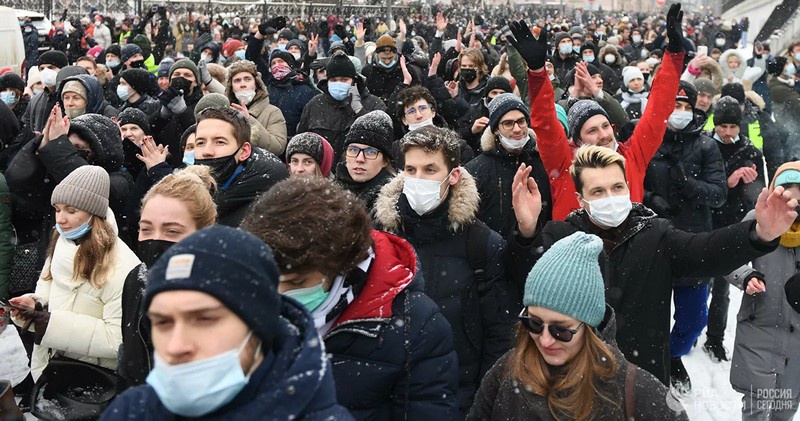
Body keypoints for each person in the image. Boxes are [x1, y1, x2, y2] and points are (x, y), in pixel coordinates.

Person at [508, 144, 797, 386]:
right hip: (574, 380)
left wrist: (760, 234)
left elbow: (707, 250)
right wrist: (526, 230)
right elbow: (524, 279)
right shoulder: (561, 235)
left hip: (642, 380)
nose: (610, 197)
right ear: (581, 200)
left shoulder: (657, 234)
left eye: (617, 187)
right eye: (598, 192)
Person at [240, 177, 459, 420]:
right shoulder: (242, 305)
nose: (279, 294)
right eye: (270, 279)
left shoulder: (416, 328)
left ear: (342, 267)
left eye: (297, 283)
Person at [102, 226, 354, 420]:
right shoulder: (132, 410)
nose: (175, 346)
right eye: (163, 322)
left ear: (258, 325)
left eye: (205, 319)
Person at [468, 232, 688, 420]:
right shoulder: (507, 370)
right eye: (534, 323)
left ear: (590, 327)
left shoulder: (635, 391)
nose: (545, 340)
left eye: (561, 329)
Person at [373, 125, 513, 415]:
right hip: (390, 394)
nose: (418, 179)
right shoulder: (380, 237)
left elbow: (499, 333)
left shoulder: (481, 244)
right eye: (411, 170)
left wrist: (483, 403)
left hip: (457, 397)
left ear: (454, 175)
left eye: (430, 169)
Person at [511, 10, 683, 221]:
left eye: (605, 126)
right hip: (571, 249)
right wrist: (537, 73)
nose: (604, 135)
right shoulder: (565, 165)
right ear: (578, 140)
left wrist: (674, 54)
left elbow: (658, 110)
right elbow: (544, 120)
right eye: (592, 130)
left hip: (628, 248)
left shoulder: (631, 157)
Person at [9, 165, 140, 380]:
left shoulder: (123, 265)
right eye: (57, 209)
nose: (60, 219)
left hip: (94, 380)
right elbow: (47, 289)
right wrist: (35, 306)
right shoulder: (61, 243)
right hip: (54, 369)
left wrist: (50, 324)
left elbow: (117, 340)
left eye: (71, 211)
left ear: (94, 214)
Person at [643, 80, 727, 393]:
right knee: (649, 315)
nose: (679, 112)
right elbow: (630, 182)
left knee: (693, 319)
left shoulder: (706, 145)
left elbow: (719, 194)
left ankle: (673, 353)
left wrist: (689, 184)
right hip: (654, 240)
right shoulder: (648, 138)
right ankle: (655, 365)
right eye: (673, 105)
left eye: (685, 107)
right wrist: (653, 199)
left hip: (694, 243)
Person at [118, 166, 217, 387]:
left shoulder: (221, 296)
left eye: (172, 231)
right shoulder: (136, 279)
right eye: (146, 229)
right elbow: (131, 358)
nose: (155, 240)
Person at [724, 163, 800, 421]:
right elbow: (727, 258)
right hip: (759, 326)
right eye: (786, 196)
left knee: (786, 407)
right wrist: (746, 276)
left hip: (798, 336)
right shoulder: (757, 220)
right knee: (756, 404)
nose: (793, 205)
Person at [703, 96, 764, 363]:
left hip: (734, 225)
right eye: (722, 126)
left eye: (733, 126)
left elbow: (760, 194)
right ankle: (691, 326)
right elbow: (698, 186)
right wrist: (726, 183)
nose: (727, 132)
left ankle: (714, 339)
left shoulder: (752, 152)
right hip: (705, 222)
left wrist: (750, 185)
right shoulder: (704, 146)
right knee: (698, 280)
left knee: (723, 284)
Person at [464, 93, 551, 237]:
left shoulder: (543, 161)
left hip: (540, 247)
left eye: (521, 121)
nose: (517, 129)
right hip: (494, 251)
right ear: (496, 129)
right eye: (508, 123)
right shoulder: (476, 169)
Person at [193, 106, 288, 226]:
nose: (207, 151)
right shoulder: (187, 195)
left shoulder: (268, 210)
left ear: (244, 151)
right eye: (200, 143)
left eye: (220, 142)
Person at [297, 51, 386, 159]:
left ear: (354, 81)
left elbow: (383, 140)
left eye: (344, 80)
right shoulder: (315, 104)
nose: (338, 83)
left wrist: (360, 111)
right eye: (334, 80)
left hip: (359, 169)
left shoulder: (373, 104)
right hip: (323, 171)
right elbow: (301, 139)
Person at [334, 110, 395, 212]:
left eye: (370, 152)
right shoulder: (328, 194)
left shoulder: (392, 205)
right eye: (353, 150)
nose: (360, 159)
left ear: (385, 161)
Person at [224, 60, 288, 155]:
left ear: (256, 84)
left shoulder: (273, 112)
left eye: (247, 79)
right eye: (237, 81)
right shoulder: (224, 113)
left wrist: (249, 120)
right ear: (231, 88)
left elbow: (277, 147)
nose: (242, 84)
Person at [455, 76, 513, 154]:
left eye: (502, 93)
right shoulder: (474, 111)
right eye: (494, 93)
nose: (497, 96)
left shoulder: (515, 112)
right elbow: (458, 135)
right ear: (487, 95)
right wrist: (472, 130)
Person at [22, 50, 69, 133]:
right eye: (41, 69)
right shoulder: (35, 101)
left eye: (51, 67)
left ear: (63, 69)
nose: (46, 72)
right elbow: (26, 128)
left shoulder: (70, 98)